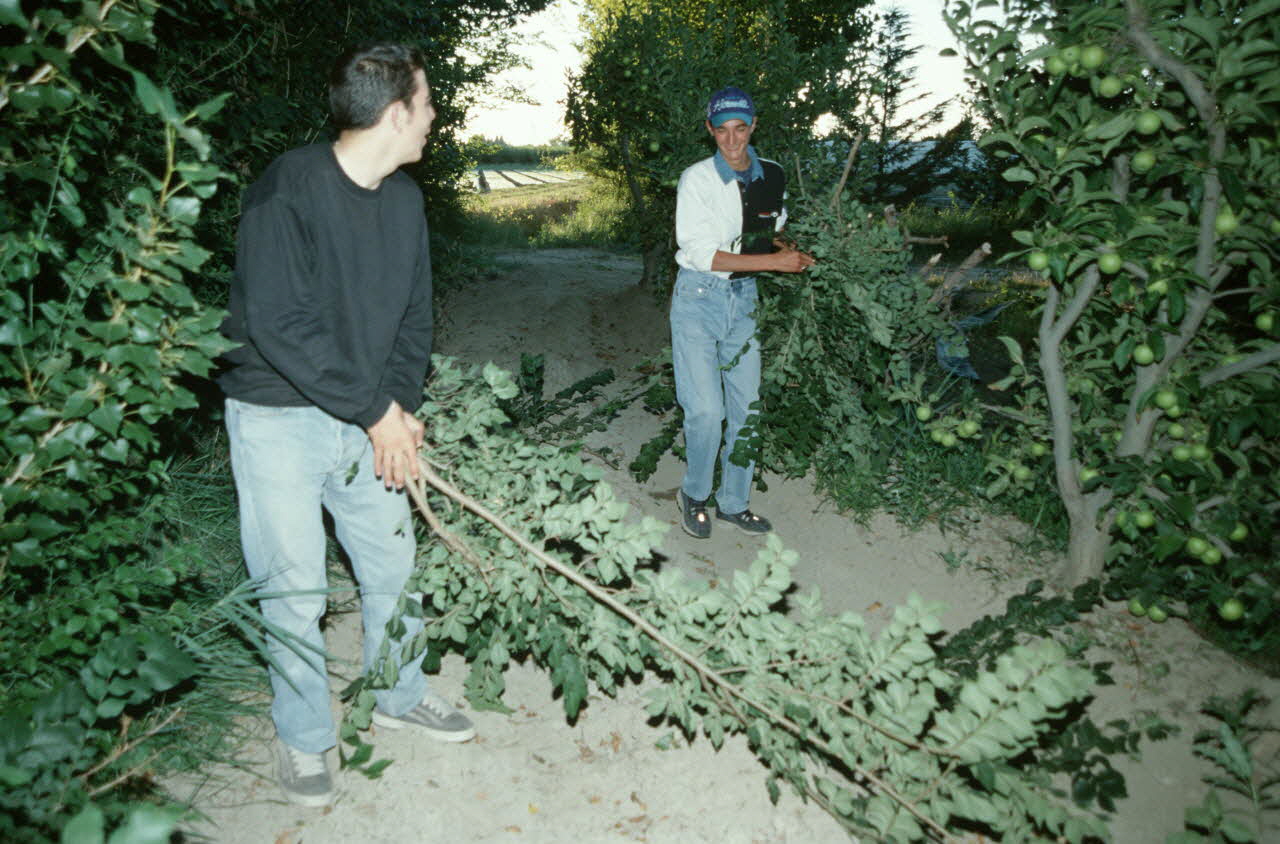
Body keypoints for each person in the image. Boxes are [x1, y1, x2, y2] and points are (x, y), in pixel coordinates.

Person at [218, 43, 473, 808]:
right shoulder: (288, 190)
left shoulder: (404, 201)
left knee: (391, 566)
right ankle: (303, 740)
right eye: (426, 105)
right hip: (277, 419)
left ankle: (399, 694)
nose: (433, 118)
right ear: (395, 115)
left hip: (366, 421)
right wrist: (374, 411)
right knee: (294, 588)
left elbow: (413, 317)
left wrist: (397, 411)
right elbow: (279, 323)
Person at [671, 86, 815, 539]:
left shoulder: (770, 174)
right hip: (698, 299)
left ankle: (734, 502)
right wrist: (775, 262)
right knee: (706, 412)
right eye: (721, 131)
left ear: (753, 126)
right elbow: (700, 253)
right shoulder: (697, 180)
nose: (732, 140)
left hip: (744, 300)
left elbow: (765, 231)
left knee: (747, 410)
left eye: (740, 128)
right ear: (710, 131)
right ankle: (694, 495)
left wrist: (786, 248)